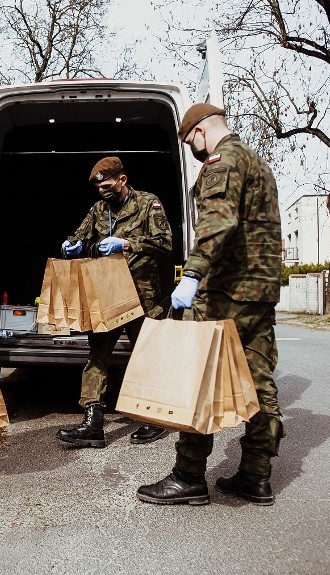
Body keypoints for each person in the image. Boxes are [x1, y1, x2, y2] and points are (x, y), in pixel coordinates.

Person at [136, 103, 284, 506]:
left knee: (198, 378)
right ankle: (256, 475)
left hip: (226, 292)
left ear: (200, 131)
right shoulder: (258, 162)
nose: (194, 152)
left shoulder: (222, 162)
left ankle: (188, 477)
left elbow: (218, 221)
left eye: (190, 143)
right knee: (258, 381)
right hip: (260, 292)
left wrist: (193, 274)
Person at [55, 157, 173, 448]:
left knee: (146, 355)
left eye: (107, 186)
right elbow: (79, 235)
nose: (102, 192)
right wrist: (70, 244)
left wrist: (128, 244)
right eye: (99, 188)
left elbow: (165, 243)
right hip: (108, 293)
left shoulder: (148, 203)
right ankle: (93, 423)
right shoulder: (98, 209)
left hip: (142, 295)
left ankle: (153, 419)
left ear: (122, 180)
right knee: (97, 356)